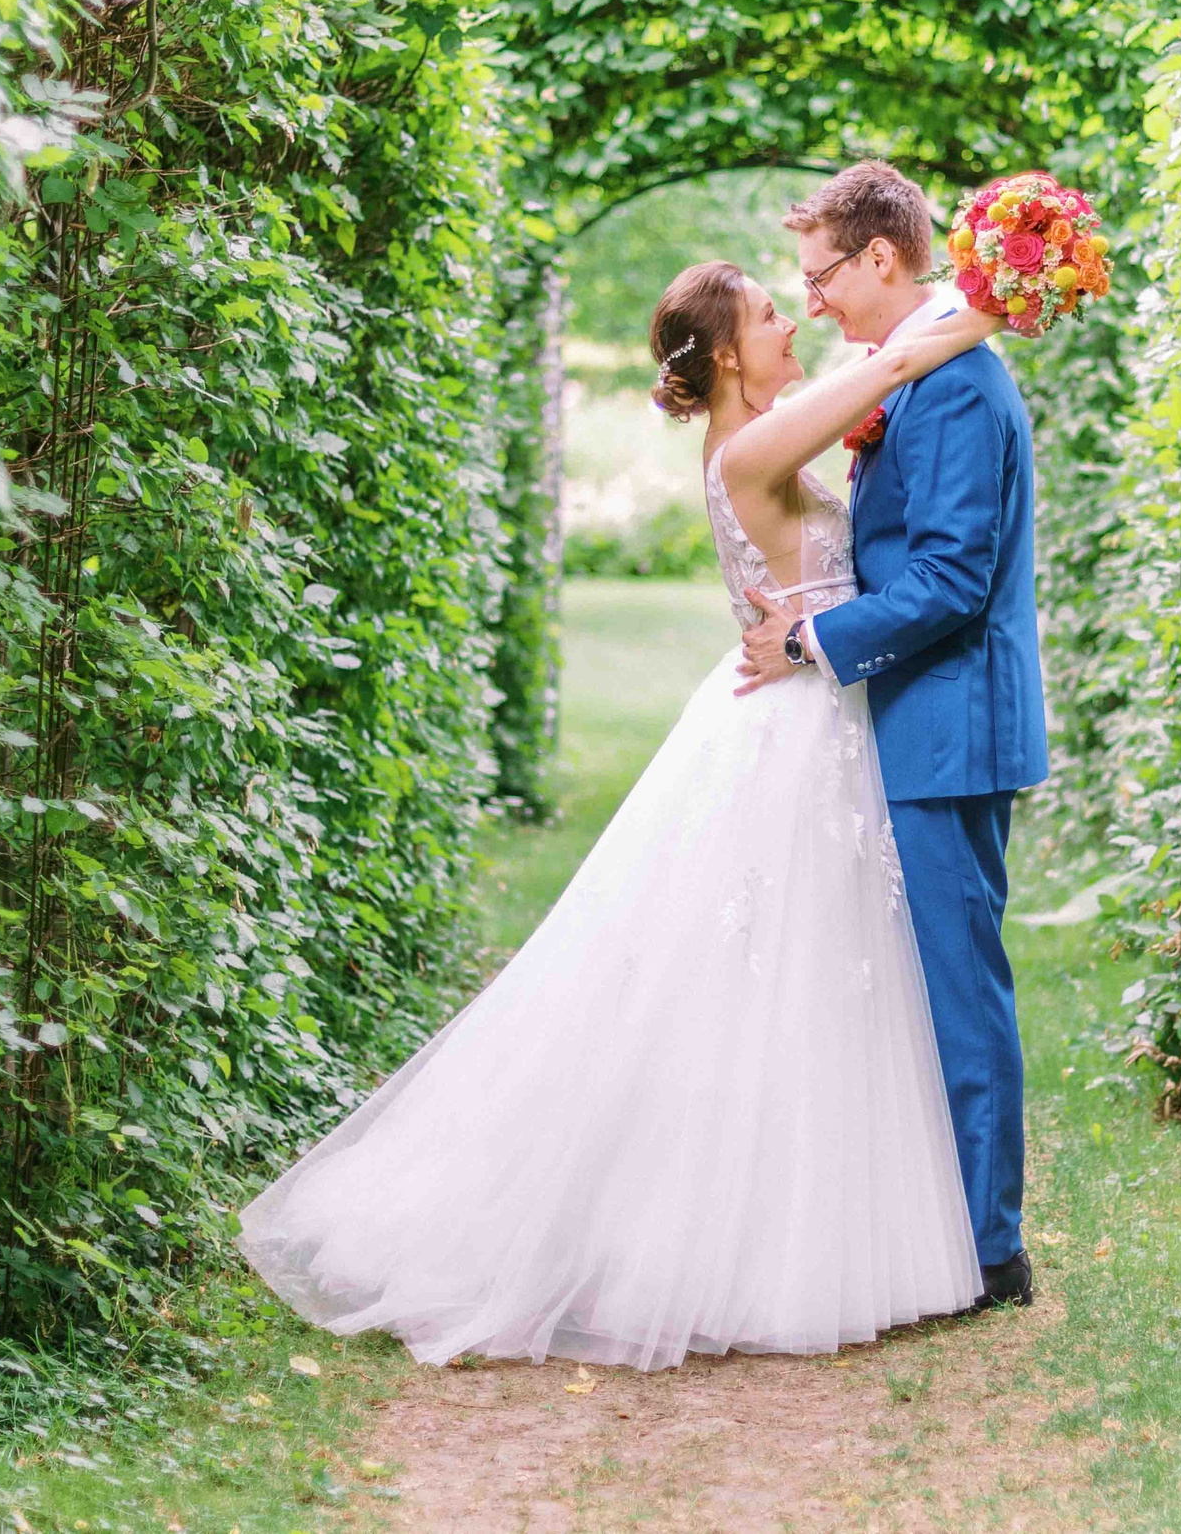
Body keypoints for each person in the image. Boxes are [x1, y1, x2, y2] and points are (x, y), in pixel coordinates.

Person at [236, 254, 1004, 1370]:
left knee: (809, 976)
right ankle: (732, 1241)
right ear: (730, 356)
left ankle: (799, 1225)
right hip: (792, 724)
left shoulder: (756, 438)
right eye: (769, 316)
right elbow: (894, 362)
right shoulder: (750, 447)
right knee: (770, 971)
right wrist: (1007, 287)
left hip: (813, 711)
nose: (794, 325)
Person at [735, 160, 1050, 1311]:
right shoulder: (909, 373)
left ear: (880, 258)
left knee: (960, 985)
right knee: (926, 985)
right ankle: (948, 1228)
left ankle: (988, 1249)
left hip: (953, 719)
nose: (810, 300)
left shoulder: (957, 381)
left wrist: (815, 645)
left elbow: (955, 576)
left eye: (821, 275)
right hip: (920, 713)